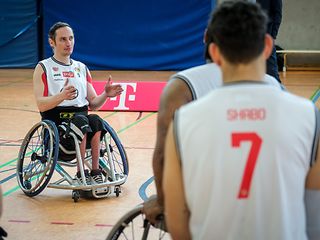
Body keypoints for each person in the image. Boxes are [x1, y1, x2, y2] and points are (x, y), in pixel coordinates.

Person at [163, 1, 320, 240]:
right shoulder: (309, 116)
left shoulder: (184, 121)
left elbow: (176, 220)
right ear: (268, 46)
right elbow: (315, 214)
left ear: (214, 52)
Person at [143, 12, 284, 225]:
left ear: (206, 37)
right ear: (264, 45)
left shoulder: (181, 85)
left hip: (209, 207)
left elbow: (162, 155)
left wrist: (163, 202)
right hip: (266, 202)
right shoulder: (274, 87)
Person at [33, 22, 123, 184]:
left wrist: (106, 94)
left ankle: (95, 171)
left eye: (71, 38)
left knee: (95, 120)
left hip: (83, 129)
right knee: (81, 121)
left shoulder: (81, 68)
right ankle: (81, 174)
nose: (68, 43)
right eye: (62, 39)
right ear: (51, 42)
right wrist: (61, 96)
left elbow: (94, 104)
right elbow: (41, 105)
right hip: (58, 134)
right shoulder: (43, 67)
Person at [257, 0, 282, 82]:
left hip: (266, 35)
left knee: (271, 70)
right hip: (248, 35)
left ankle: (279, 90)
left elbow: (277, 14)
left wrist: (273, 35)